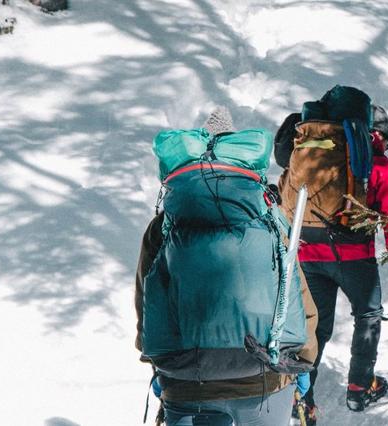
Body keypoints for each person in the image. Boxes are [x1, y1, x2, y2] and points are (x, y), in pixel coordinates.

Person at [135, 107, 319, 426]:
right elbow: (295, 291)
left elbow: (147, 300)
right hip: (265, 377)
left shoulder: (166, 224)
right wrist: (303, 363)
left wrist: (156, 361)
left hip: (186, 380)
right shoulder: (268, 218)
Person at [276, 100, 388, 422]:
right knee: (367, 314)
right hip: (354, 258)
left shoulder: (305, 157)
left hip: (308, 255)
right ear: (378, 136)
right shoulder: (377, 166)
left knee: (315, 327)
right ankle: (359, 387)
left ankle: (302, 398)